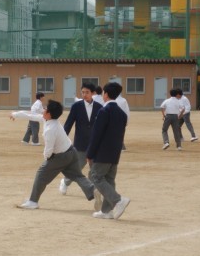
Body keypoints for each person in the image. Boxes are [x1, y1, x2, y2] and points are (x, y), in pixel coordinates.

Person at [10, 99, 101, 210]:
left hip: (60, 156)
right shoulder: (50, 120)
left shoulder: (50, 129)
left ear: (49, 113)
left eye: (46, 108)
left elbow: (49, 150)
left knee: (41, 175)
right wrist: (15, 114)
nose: (43, 109)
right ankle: (93, 190)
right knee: (77, 176)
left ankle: (33, 201)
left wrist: (47, 159)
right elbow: (32, 115)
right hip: (72, 152)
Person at [86, 82, 130, 220]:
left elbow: (96, 134)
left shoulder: (104, 111)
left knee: (96, 176)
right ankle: (106, 211)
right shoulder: (122, 114)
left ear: (105, 94)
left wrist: (90, 153)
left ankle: (118, 200)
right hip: (115, 152)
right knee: (109, 180)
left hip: (102, 152)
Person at [59, 82, 103, 195]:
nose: (84, 95)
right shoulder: (76, 106)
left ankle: (93, 189)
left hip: (95, 144)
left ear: (93, 93)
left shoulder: (99, 107)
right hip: (80, 143)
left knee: (94, 168)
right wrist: (62, 139)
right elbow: (69, 123)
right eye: (82, 92)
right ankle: (65, 181)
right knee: (78, 167)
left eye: (87, 92)